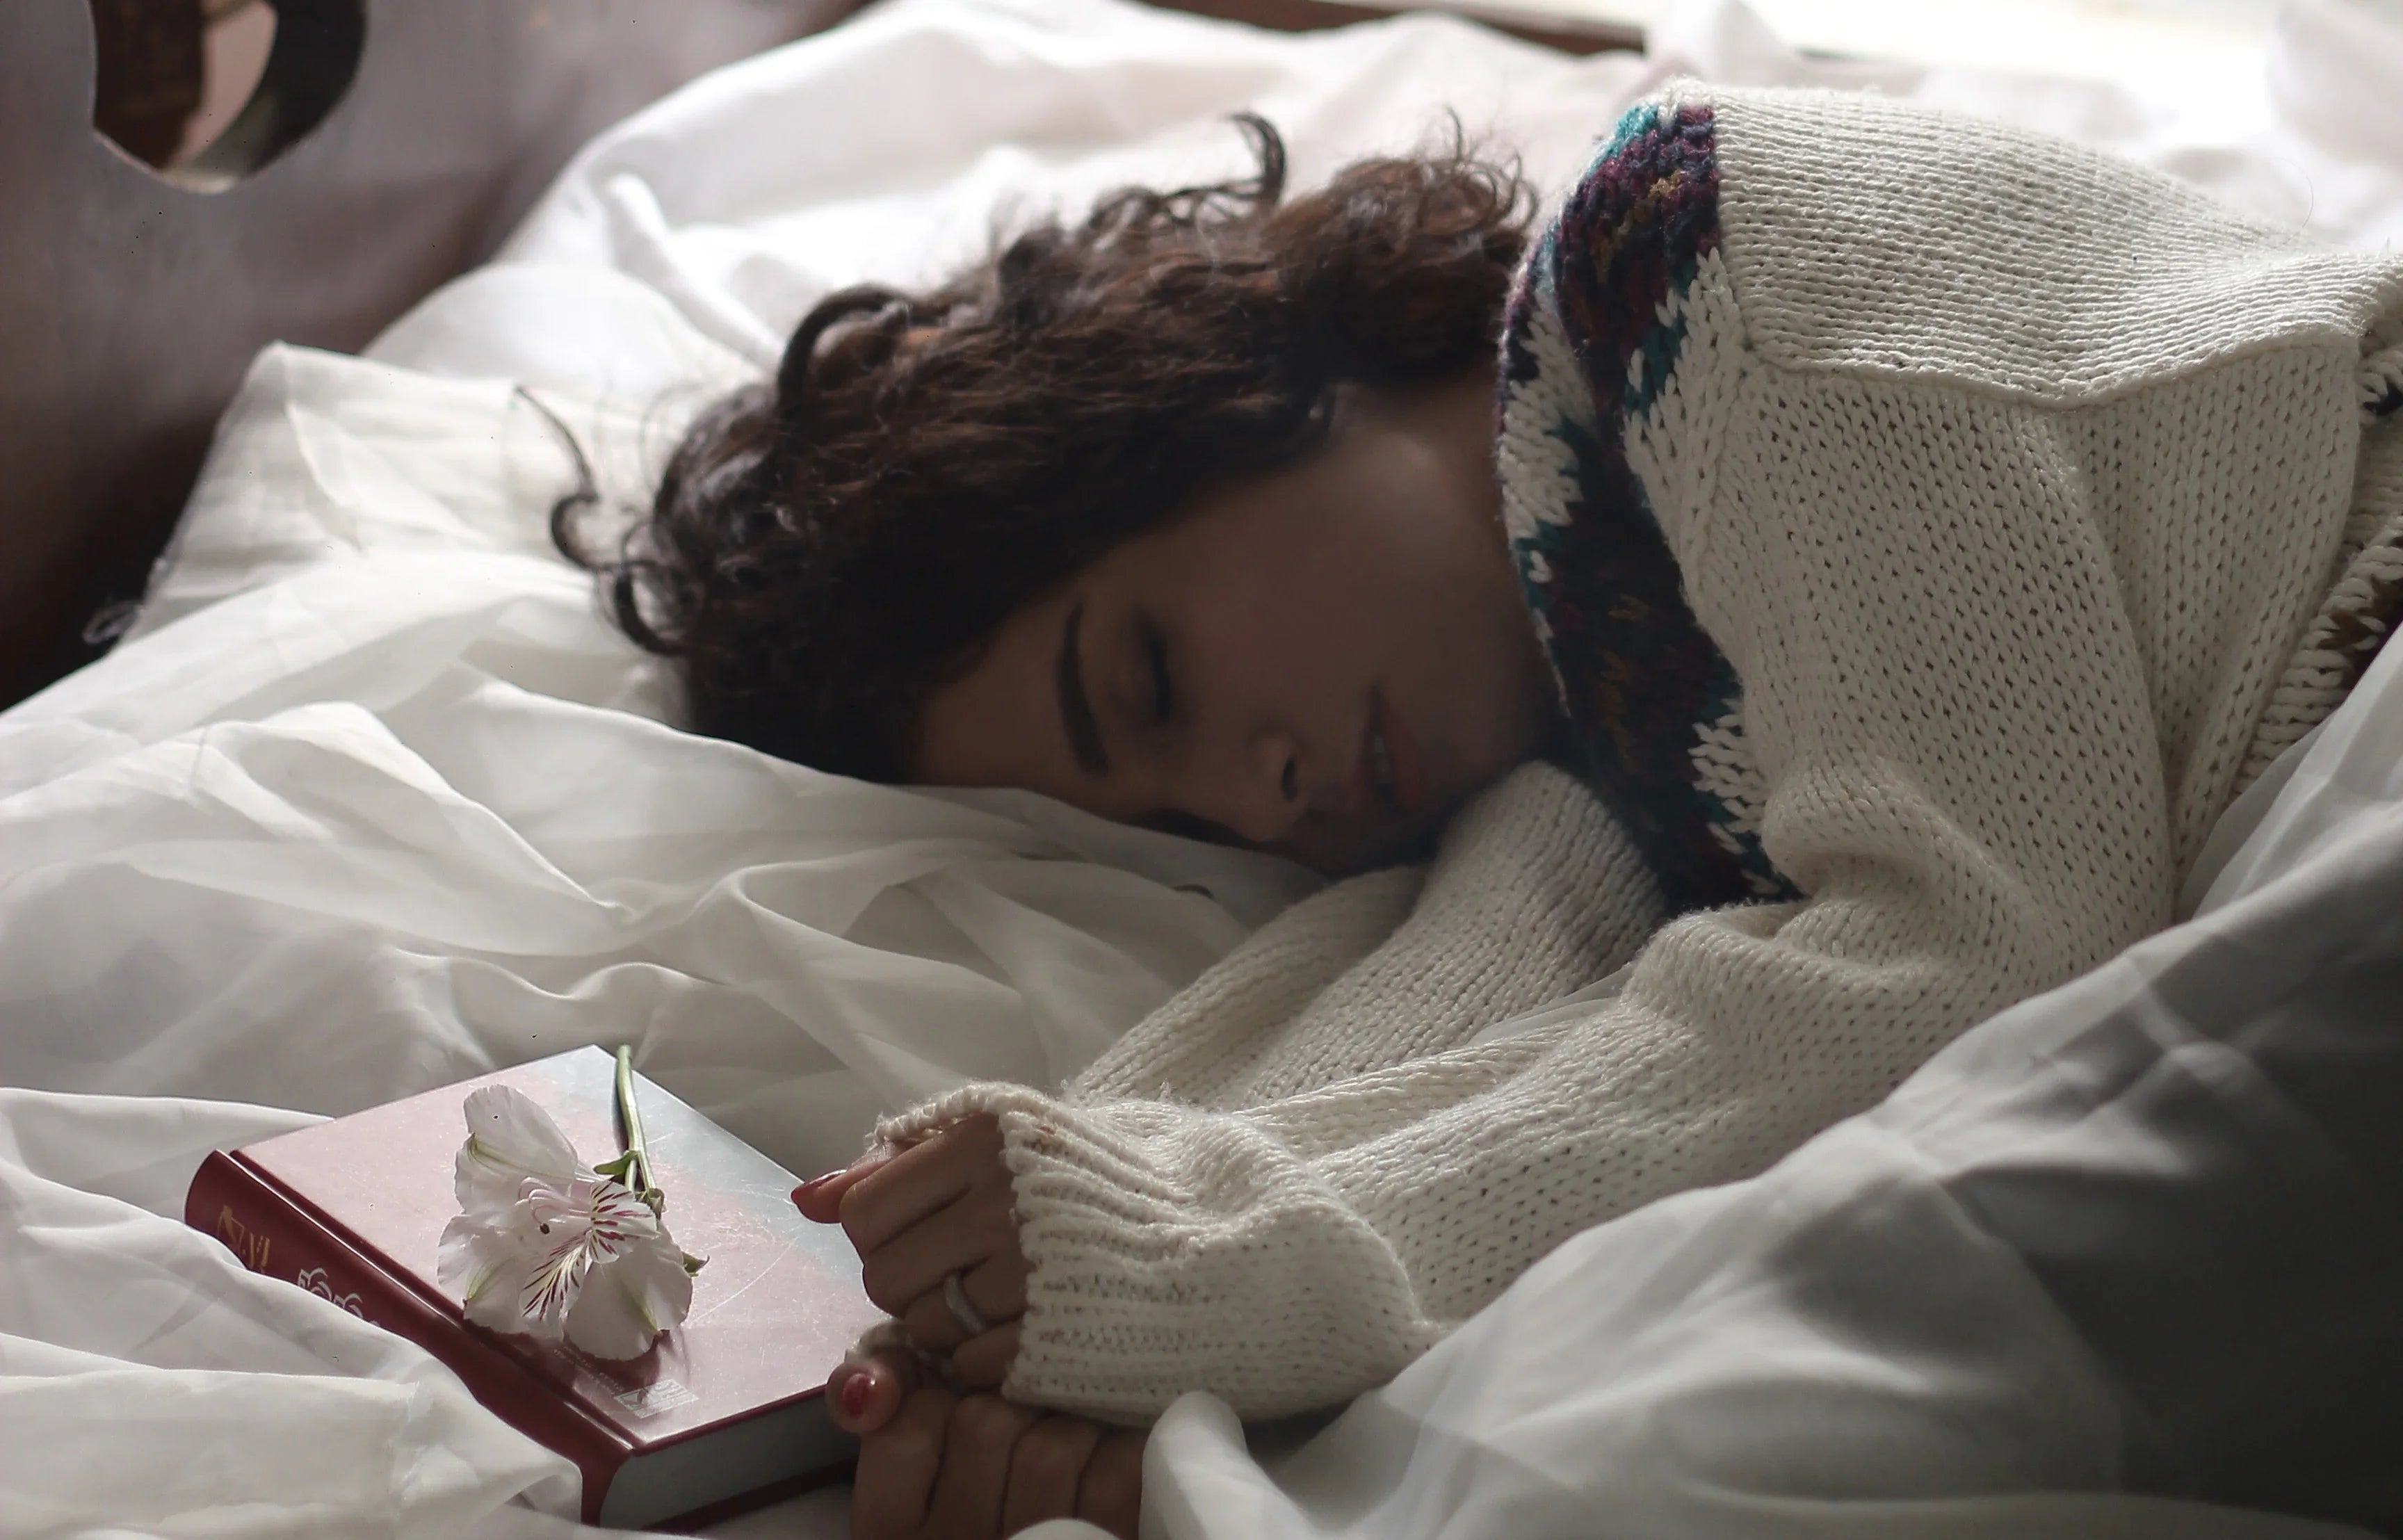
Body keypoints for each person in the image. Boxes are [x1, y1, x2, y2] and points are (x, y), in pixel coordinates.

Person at [565, 83, 2403, 1540]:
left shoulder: (1697, 270)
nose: (1259, 795)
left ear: (1237, 392)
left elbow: (1975, 939)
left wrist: (1217, 1271)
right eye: (1188, 812)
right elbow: (1433, 1020)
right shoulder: (1592, 686)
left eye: (1149, 683)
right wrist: (992, 1335)